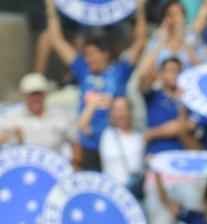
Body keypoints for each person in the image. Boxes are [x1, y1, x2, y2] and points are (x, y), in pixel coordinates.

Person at [42, 0, 147, 170]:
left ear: (105, 54)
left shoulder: (119, 71)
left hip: (113, 144)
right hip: (87, 144)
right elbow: (57, 41)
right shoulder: (83, 70)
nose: (88, 59)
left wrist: (140, 10)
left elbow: (140, 43)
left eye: (91, 54)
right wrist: (51, 9)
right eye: (86, 55)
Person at [0, 73, 73, 155]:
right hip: (22, 161)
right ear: (24, 95)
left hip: (53, 161)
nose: (35, 98)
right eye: (31, 94)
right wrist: (12, 137)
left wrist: (76, 161)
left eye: (38, 94)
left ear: (45, 94)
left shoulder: (60, 115)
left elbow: (75, 140)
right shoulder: (12, 117)